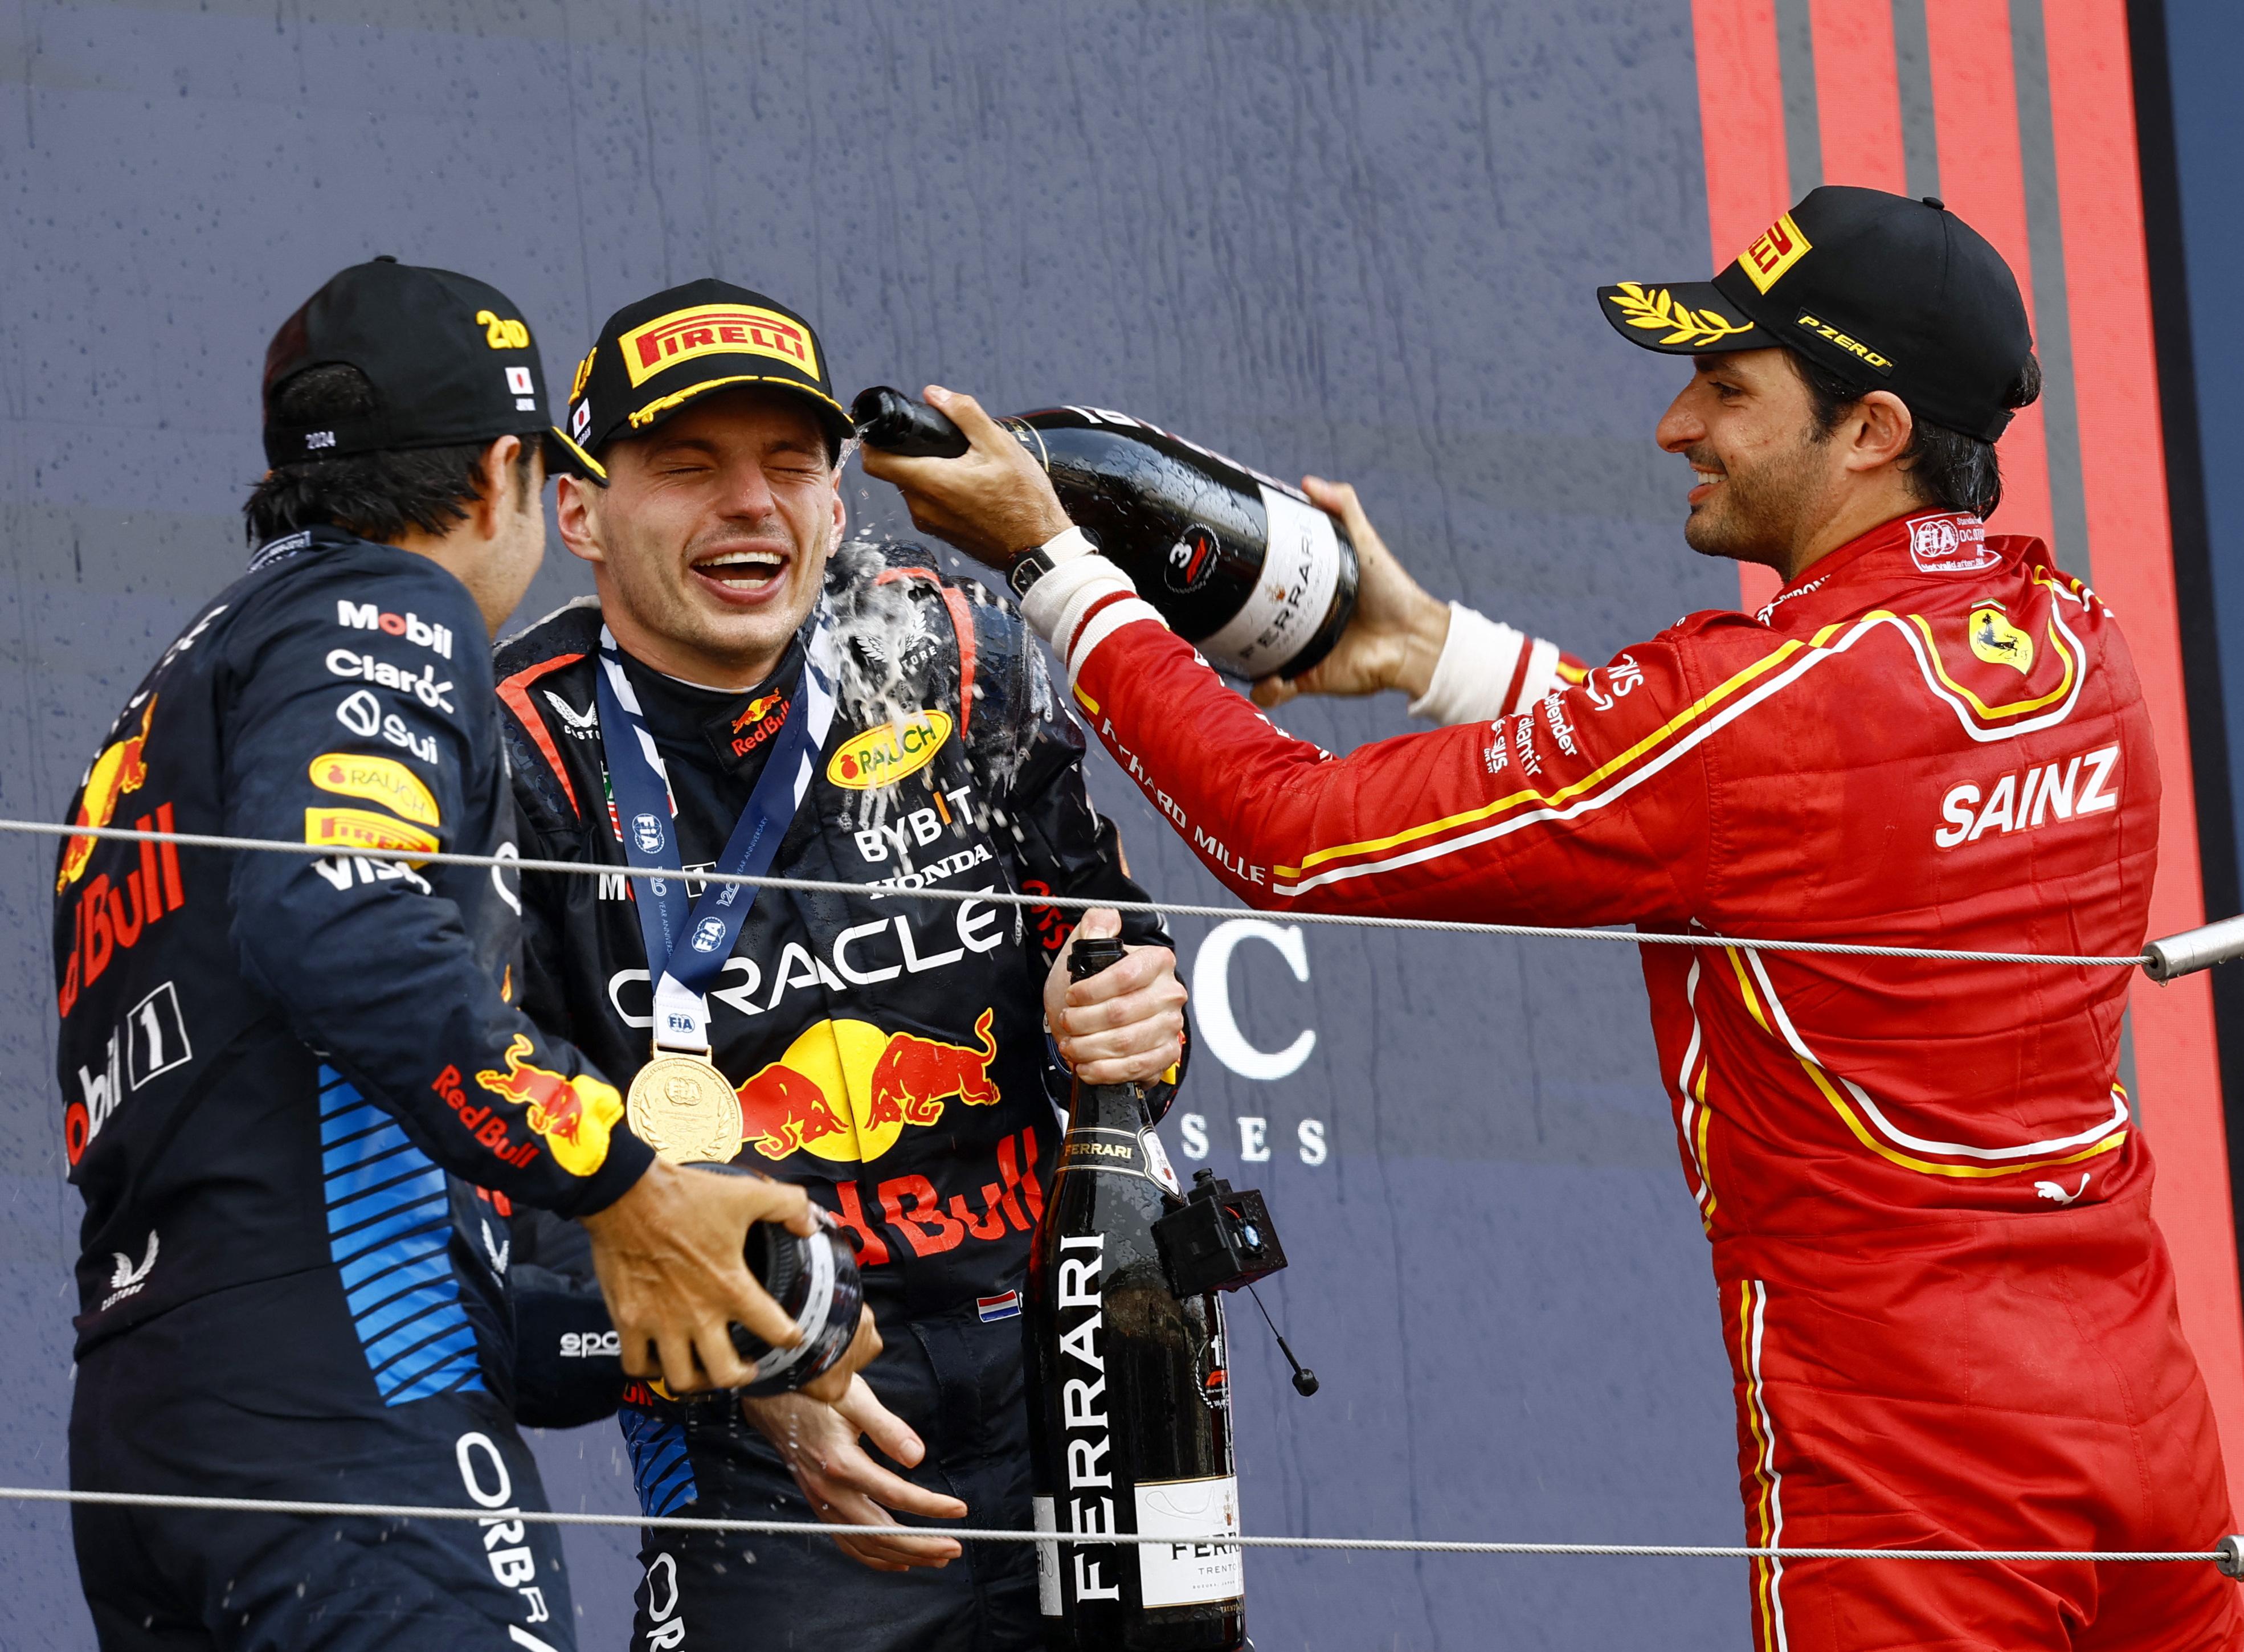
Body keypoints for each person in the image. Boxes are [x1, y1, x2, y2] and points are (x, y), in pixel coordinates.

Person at [864, 187, 2244, 1650]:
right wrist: (1424, 649)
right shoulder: (2074, 639)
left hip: (1915, 1472)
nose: (1674, 425)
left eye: (1726, 387)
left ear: (1874, 431)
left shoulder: (1764, 712)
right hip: (2147, 1435)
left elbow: (1286, 842)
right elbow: (1741, 801)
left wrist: (1051, 564)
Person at [54, 259, 872, 1652]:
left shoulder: (177, 692)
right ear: (510, 471)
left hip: (153, 1430)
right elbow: (339, 918)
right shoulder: (383, 610)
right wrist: (628, 1183)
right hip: (355, 1428)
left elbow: (344, 1161)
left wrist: (699, 1324)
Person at [498, 279, 1188, 1650]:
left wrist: (1121, 1022)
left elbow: (1125, 982)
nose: (748, 503)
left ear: (832, 499)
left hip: (1069, 1377)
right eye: (686, 468)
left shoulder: (954, 650)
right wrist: (765, 1372)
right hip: (767, 1414)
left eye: (789, 465)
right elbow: (501, 1169)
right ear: (578, 511)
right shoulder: (515, 757)